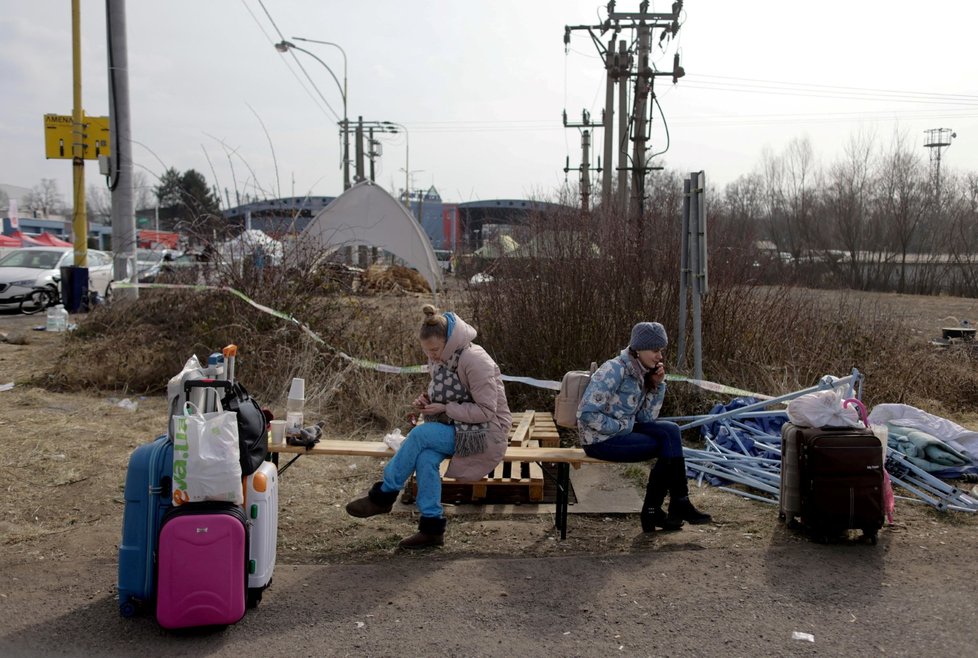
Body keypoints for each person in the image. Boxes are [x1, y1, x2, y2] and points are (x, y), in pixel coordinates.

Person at [346, 304, 512, 549]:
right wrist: (428, 401)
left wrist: (444, 408)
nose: (432, 356)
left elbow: (487, 411)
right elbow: (448, 394)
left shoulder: (476, 360)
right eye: (427, 351)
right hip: (455, 427)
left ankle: (383, 495)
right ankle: (431, 528)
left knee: (421, 434)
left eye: (435, 350)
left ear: (450, 340)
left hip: (487, 433)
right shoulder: (443, 358)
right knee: (424, 458)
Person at [577, 321, 711, 533]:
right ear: (638, 349)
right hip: (598, 440)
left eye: (661, 351)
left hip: (624, 430)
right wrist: (622, 426)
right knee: (665, 444)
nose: (660, 356)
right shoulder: (614, 370)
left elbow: (646, 418)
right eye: (655, 350)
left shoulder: (641, 371)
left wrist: (657, 386)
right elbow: (586, 414)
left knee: (671, 431)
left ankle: (675, 502)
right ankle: (658, 509)